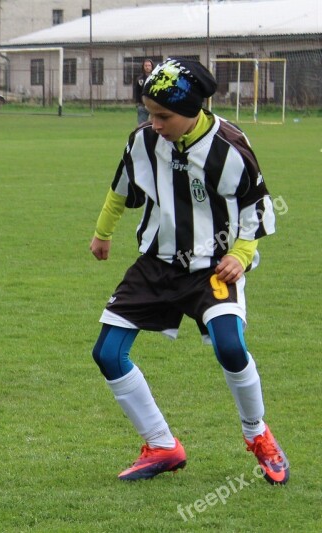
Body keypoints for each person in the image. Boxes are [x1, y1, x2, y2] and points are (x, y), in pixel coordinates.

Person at [89, 57, 289, 484]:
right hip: (156, 265)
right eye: (148, 112)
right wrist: (102, 234)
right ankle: (161, 444)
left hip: (212, 269)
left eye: (164, 115)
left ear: (194, 110)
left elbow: (256, 208)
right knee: (107, 353)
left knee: (230, 347)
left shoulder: (230, 146)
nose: (154, 123)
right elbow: (120, 188)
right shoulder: (143, 141)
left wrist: (241, 251)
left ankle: (258, 435)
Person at [132, 58, 154, 125]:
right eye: (146, 65)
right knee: (142, 126)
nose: (147, 67)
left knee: (154, 125)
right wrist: (138, 103)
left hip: (153, 106)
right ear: (143, 67)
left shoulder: (155, 78)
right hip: (142, 106)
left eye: (149, 65)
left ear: (152, 67)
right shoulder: (139, 79)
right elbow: (137, 92)